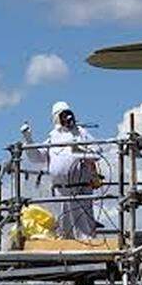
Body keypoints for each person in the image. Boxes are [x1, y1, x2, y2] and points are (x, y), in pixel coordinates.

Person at [46, 102, 100, 238]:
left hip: (81, 187)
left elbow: (97, 152)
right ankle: (65, 246)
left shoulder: (81, 133)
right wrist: (28, 139)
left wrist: (80, 150)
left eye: (68, 114)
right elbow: (37, 157)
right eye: (63, 115)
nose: (68, 118)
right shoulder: (52, 137)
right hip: (61, 190)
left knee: (83, 224)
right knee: (64, 223)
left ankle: (87, 245)